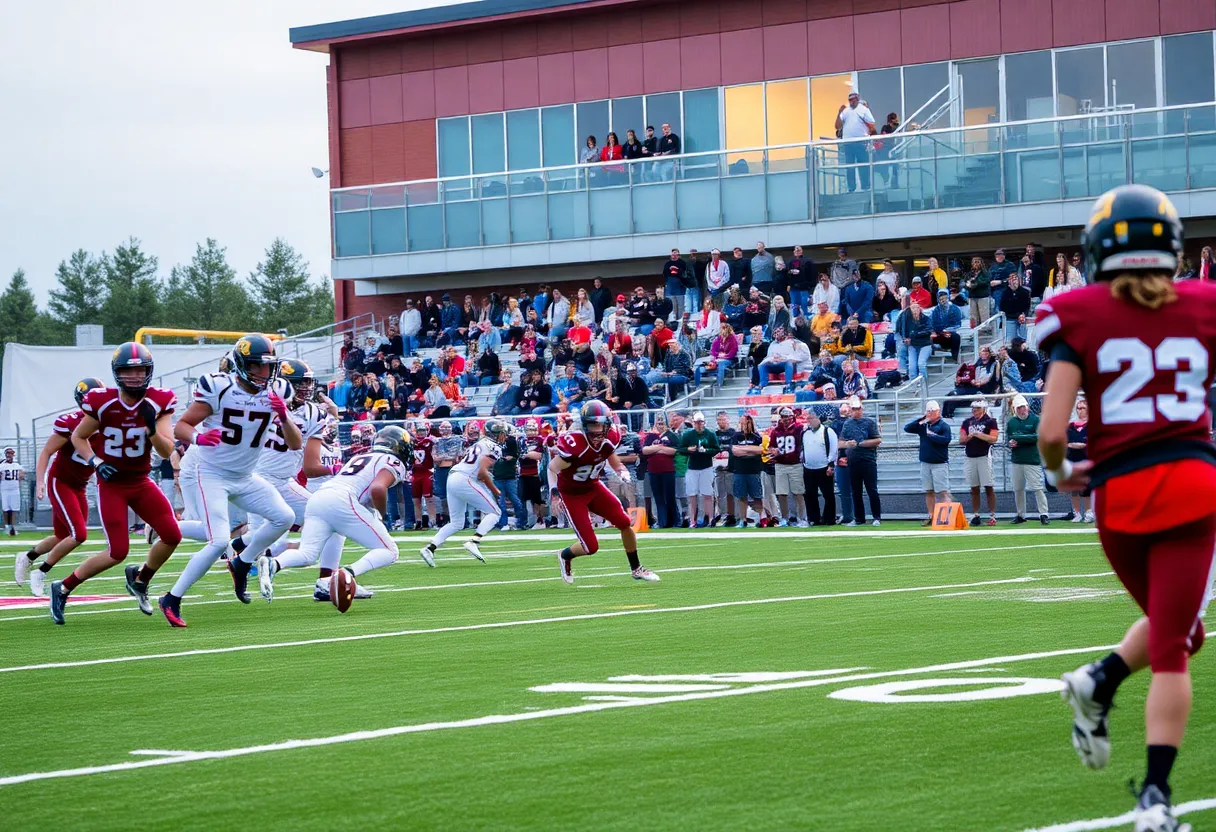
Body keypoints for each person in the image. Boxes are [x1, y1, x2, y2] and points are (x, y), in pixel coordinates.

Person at [1033, 185, 1216, 829]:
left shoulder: (1074, 313)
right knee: (1175, 646)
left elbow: (1052, 434)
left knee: (1178, 635)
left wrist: (1061, 474)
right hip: (1193, 489)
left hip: (1119, 500)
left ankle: (1099, 682)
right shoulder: (1206, 305)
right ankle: (1155, 799)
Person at [161, 336, 298, 626]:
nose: (264, 373)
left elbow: (295, 443)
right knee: (218, 540)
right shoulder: (219, 388)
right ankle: (172, 598)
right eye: (256, 366)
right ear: (240, 364)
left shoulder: (278, 390)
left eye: (267, 367)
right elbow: (181, 426)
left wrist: (284, 417)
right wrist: (199, 437)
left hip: (245, 476)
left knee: (284, 517)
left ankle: (242, 561)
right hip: (212, 474)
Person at [49, 344, 182, 625]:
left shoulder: (159, 401)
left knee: (172, 534)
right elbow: (78, 437)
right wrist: (96, 462)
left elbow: (166, 450)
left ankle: (141, 579)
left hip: (141, 480)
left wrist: (151, 430)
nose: (134, 376)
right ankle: (62, 588)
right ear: (116, 373)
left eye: (139, 370)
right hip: (112, 484)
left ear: (149, 371)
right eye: (127, 370)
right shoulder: (103, 401)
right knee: (117, 551)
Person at [257, 425, 410, 603]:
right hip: (341, 500)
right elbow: (377, 488)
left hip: (320, 497)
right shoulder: (393, 461)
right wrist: (382, 514)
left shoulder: (360, 456)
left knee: (308, 553)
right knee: (390, 551)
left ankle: (274, 564)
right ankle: (345, 577)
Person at [228, 360, 334, 570]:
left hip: (281, 480)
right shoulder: (260, 403)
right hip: (258, 478)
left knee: (265, 536)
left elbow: (308, 464)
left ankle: (235, 551)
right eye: (300, 383)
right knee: (322, 516)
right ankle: (236, 554)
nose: (306, 388)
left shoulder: (313, 413)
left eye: (307, 383)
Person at [551, 401, 659, 583]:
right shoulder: (575, 443)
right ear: (584, 425)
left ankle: (636, 568)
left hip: (593, 487)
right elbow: (552, 467)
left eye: (601, 424)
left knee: (624, 522)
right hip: (572, 494)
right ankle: (565, 555)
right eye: (593, 424)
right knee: (590, 547)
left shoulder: (610, 438)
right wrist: (555, 495)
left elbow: (613, 460)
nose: (597, 429)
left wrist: (622, 472)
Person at [16, 378, 106, 595]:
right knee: (79, 534)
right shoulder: (70, 423)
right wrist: (40, 482)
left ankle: (27, 557)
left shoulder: (109, 424)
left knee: (62, 536)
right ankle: (42, 571)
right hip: (61, 482)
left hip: (80, 485)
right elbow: (47, 451)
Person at [419, 421, 506, 565]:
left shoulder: (480, 443)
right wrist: (494, 490)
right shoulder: (494, 447)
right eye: (502, 433)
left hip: (453, 476)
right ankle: (474, 541)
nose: (504, 436)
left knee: (457, 523)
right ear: (496, 434)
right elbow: (482, 472)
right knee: (495, 512)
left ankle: (430, 547)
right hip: (465, 479)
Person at [904, 401, 952, 525]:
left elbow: (946, 440)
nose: (929, 413)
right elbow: (907, 428)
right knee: (929, 490)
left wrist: (933, 436)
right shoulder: (923, 426)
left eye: (932, 411)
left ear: (938, 412)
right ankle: (931, 515)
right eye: (928, 411)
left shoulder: (943, 426)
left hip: (939, 463)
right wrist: (922, 419)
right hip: (925, 462)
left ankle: (945, 516)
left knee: (942, 491)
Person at [1005, 394, 1049, 525]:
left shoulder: (1036, 420)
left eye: (1023, 407)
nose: (1021, 410)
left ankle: (1044, 513)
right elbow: (1009, 437)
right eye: (1018, 408)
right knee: (1018, 488)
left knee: (1038, 488)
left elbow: (1037, 437)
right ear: (1015, 409)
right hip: (1017, 459)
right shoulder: (1012, 422)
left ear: (1027, 407)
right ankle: (1020, 514)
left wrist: (1018, 439)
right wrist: (1010, 443)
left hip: (1032, 459)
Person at [838, 397, 882, 525]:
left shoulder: (869, 422)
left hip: (868, 460)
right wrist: (848, 444)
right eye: (854, 409)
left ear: (861, 409)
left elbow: (878, 440)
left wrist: (863, 443)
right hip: (853, 461)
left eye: (858, 409)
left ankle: (876, 517)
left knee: (872, 489)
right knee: (856, 491)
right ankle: (859, 518)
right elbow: (840, 443)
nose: (856, 411)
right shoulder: (847, 424)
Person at [960, 399, 999, 527]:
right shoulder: (967, 422)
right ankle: (976, 514)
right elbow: (961, 439)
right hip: (970, 455)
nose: (974, 410)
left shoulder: (990, 421)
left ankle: (992, 514)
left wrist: (978, 434)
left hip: (984, 455)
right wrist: (969, 437)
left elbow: (993, 438)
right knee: (974, 487)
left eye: (977, 408)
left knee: (988, 486)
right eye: (973, 408)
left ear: (983, 408)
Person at [679, 412, 719, 528]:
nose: (699, 425)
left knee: (707, 493)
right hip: (692, 467)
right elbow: (681, 449)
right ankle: (693, 520)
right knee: (692, 494)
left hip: (706, 466)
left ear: (704, 423)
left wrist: (706, 451)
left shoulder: (710, 434)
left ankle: (710, 518)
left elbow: (717, 449)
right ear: (693, 423)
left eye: (700, 422)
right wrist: (689, 449)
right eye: (696, 422)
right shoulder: (688, 435)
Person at [801, 409, 837, 526]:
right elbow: (803, 449)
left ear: (818, 419)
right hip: (809, 468)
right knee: (810, 495)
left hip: (824, 467)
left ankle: (829, 518)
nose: (809, 421)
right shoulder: (805, 433)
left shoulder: (828, 431)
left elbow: (833, 449)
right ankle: (813, 518)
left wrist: (831, 465)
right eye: (808, 418)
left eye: (811, 418)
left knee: (828, 494)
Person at [642, 414, 678, 528]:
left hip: (668, 470)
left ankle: (674, 520)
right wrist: (661, 448)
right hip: (653, 471)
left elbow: (675, 451)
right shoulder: (650, 436)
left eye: (662, 424)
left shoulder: (672, 436)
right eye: (658, 423)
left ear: (666, 425)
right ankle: (662, 521)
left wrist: (655, 449)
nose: (660, 426)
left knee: (670, 496)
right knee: (658, 497)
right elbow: (645, 450)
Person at [835, 92, 875, 192]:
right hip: (848, 143)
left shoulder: (864, 110)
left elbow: (871, 123)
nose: (852, 102)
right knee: (850, 166)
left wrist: (867, 134)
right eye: (850, 100)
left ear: (857, 99)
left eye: (854, 100)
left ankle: (865, 186)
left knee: (863, 165)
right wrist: (839, 112)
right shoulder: (846, 111)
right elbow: (837, 126)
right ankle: (851, 187)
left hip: (861, 142)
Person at [729, 414, 765, 527]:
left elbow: (760, 450)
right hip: (739, 470)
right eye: (742, 422)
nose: (744, 425)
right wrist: (750, 451)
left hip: (754, 470)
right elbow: (734, 451)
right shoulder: (736, 436)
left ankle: (762, 518)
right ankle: (742, 519)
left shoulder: (756, 436)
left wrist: (743, 450)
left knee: (757, 496)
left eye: (746, 422)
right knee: (741, 496)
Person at [492, 426, 526, 532]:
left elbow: (517, 455)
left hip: (510, 476)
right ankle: (503, 523)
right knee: (500, 502)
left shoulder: (511, 441)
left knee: (516, 501)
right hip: (498, 476)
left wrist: (512, 458)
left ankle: (521, 522)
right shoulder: (491, 443)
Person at [693, 323, 739, 389]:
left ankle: (719, 384)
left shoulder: (733, 339)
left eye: (724, 330)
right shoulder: (718, 339)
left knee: (721, 363)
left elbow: (733, 353)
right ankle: (696, 385)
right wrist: (717, 357)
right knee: (699, 363)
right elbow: (713, 351)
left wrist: (723, 356)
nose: (722, 333)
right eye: (721, 331)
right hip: (717, 358)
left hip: (729, 359)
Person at [830, 402, 854, 525]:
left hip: (856, 460)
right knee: (844, 491)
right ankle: (847, 516)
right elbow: (834, 443)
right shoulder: (835, 425)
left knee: (854, 490)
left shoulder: (860, 424)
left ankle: (855, 516)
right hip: (840, 460)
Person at [897, 301, 933, 381]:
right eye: (913, 308)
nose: (915, 310)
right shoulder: (905, 320)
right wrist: (905, 338)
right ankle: (914, 385)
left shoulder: (926, 319)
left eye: (917, 307)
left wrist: (913, 335)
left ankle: (924, 383)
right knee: (912, 367)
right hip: (913, 345)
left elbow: (928, 330)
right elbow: (900, 329)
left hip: (925, 344)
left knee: (921, 364)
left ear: (920, 309)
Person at [1000, 273, 1033, 342]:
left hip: (1022, 318)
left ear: (1018, 280)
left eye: (1015, 279)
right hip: (1010, 318)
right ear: (1009, 281)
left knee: (1023, 340)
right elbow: (1003, 307)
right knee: (1011, 341)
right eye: (1011, 279)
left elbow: (1027, 306)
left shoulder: (1025, 292)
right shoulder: (1005, 293)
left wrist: (1023, 315)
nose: (1013, 281)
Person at [0, 446, 22, 535]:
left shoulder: (17, 465)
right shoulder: (1, 465)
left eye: (11, 453)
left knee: (14, 508)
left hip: (14, 488)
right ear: (5, 454)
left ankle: (13, 527)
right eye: (8, 453)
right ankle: (6, 527)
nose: (9, 455)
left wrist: (18, 482)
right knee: (5, 508)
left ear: (13, 454)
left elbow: (21, 475)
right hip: (5, 488)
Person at [786, 246, 814, 317]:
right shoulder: (790, 262)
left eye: (798, 250)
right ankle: (795, 320)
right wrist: (791, 272)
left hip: (804, 288)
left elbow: (811, 275)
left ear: (802, 251)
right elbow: (788, 274)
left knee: (805, 306)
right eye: (795, 250)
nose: (796, 251)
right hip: (793, 288)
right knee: (794, 307)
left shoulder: (808, 261)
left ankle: (806, 321)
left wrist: (809, 287)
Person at [664, 249, 688, 320]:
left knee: (681, 305)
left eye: (675, 254)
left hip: (680, 286)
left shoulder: (682, 263)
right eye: (673, 254)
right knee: (672, 304)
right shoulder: (667, 263)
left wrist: (677, 270)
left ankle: (680, 319)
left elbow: (685, 273)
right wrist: (669, 269)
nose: (674, 256)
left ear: (678, 255)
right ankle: (673, 319)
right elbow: (665, 274)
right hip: (671, 286)